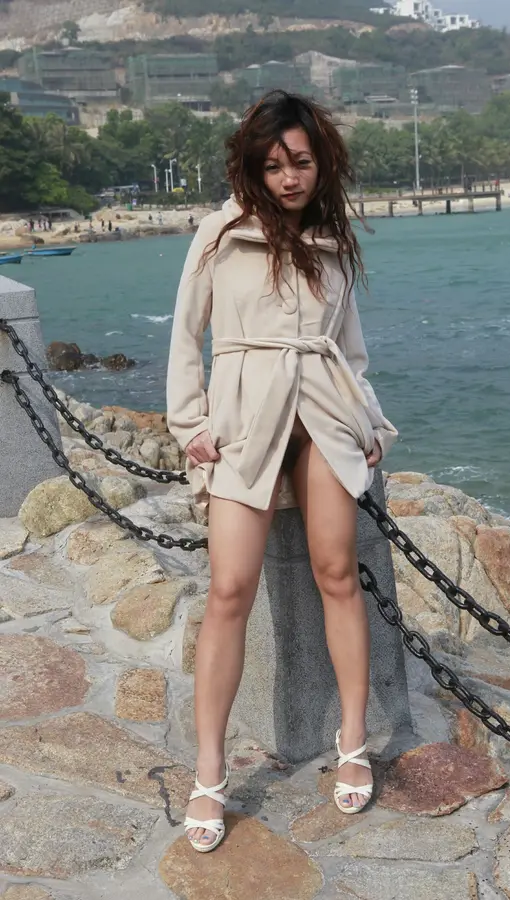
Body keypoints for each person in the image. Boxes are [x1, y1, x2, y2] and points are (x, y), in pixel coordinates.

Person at [166, 91, 397, 855]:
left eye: (300, 162)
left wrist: (372, 424)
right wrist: (190, 423)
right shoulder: (220, 233)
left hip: (324, 418)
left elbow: (351, 352)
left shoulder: (333, 239)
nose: (289, 178)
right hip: (244, 420)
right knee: (229, 589)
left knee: (337, 573)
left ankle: (353, 739)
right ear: (252, 168)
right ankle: (208, 773)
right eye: (273, 165)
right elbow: (186, 335)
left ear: (321, 162)